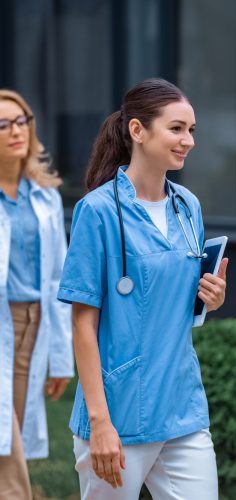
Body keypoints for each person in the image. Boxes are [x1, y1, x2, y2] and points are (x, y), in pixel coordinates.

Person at [57, 78, 228, 499]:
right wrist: (100, 423)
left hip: (181, 407)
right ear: (137, 130)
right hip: (118, 411)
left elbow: (173, 304)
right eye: (176, 129)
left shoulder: (187, 206)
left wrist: (210, 297)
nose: (188, 140)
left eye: (191, 130)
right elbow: (83, 324)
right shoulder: (96, 212)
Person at [0, 89, 73, 499]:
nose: (17, 131)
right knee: (5, 440)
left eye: (22, 121)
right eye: (4, 123)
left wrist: (61, 359)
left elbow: (59, 282)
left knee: (12, 435)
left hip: (32, 326)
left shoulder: (43, 196)